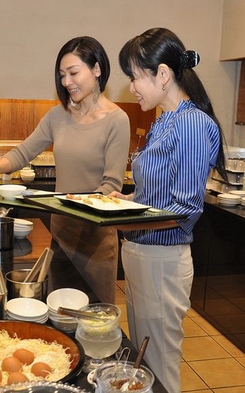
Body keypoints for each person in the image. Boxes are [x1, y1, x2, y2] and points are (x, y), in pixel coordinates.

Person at [0, 36, 130, 303]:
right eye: (62, 75)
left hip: (94, 239)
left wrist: (76, 206)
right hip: (61, 233)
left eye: (73, 73)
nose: (66, 82)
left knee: (94, 318)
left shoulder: (117, 120)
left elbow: (110, 186)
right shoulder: (57, 116)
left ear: (97, 69)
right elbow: (23, 152)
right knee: (59, 311)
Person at [111, 28, 227, 392]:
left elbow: (185, 207)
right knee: (143, 360)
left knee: (159, 366)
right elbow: (154, 196)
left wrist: (121, 216)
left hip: (161, 258)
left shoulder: (192, 123)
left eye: (135, 76)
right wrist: (123, 203)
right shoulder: (164, 120)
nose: (132, 86)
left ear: (162, 74)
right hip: (141, 252)